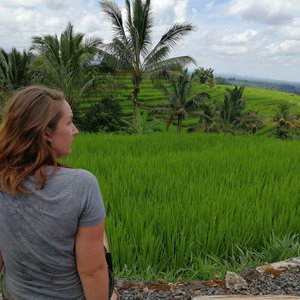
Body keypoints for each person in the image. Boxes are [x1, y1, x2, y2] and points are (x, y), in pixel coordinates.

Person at [0, 85, 115, 299]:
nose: (75, 131)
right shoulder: (82, 184)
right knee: (100, 238)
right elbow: (92, 271)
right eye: (69, 122)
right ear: (46, 133)